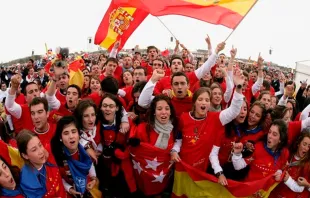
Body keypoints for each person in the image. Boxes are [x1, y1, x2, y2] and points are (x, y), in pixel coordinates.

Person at [50, 116, 100, 198]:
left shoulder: (85, 151)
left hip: (87, 186)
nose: (71, 136)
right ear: (60, 138)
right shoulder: (57, 156)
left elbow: (90, 164)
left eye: (74, 132)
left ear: (79, 134)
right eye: (66, 133)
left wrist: (93, 179)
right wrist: (69, 189)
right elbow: (59, 177)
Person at [16, 130, 66, 197]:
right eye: (34, 150)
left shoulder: (48, 156)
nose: (41, 151)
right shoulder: (27, 180)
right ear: (25, 155)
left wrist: (69, 188)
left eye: (40, 145)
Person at [270, 131, 310, 198]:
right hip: (274, 193)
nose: (306, 148)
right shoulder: (288, 154)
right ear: (298, 143)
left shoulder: (306, 165)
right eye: (304, 144)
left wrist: (288, 179)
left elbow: (300, 189)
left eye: (309, 146)